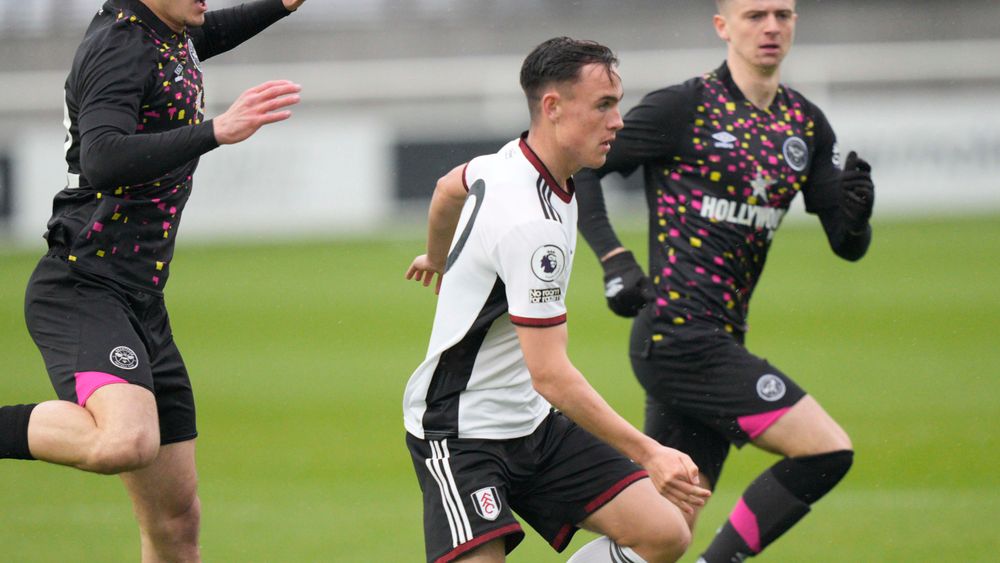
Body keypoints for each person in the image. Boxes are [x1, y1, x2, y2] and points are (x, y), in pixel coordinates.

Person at [0, 0, 305, 560]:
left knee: (176, 522)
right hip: (83, 285)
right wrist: (215, 131)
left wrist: (282, 5)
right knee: (126, 440)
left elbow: (210, 32)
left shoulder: (166, 30)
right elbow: (102, 158)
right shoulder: (119, 46)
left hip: (141, 301)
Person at [574, 1, 875, 561]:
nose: (770, 27)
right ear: (723, 27)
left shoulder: (805, 125)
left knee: (663, 536)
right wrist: (614, 257)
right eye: (755, 14)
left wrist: (857, 219)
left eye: (782, 14)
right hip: (678, 335)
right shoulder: (683, 107)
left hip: (715, 339)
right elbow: (583, 166)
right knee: (827, 450)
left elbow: (847, 245)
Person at [403, 37, 713, 563]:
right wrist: (649, 451)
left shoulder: (508, 161)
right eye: (604, 105)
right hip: (460, 431)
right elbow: (550, 373)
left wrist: (436, 256)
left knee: (665, 533)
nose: (618, 121)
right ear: (553, 107)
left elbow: (446, 189)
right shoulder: (530, 223)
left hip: (534, 425)